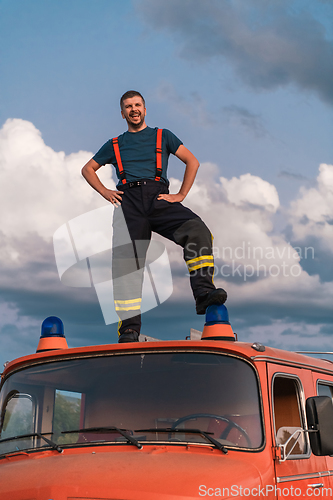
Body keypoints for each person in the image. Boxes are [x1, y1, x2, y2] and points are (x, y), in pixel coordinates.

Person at [82, 90, 227, 343]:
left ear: (145, 109)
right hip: (129, 204)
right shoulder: (114, 144)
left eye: (137, 105)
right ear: (122, 113)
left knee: (198, 230)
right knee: (126, 266)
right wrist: (106, 192)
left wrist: (181, 194)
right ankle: (129, 329)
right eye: (128, 106)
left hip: (159, 198)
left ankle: (204, 293)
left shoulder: (163, 136)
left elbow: (192, 162)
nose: (133, 109)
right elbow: (88, 169)